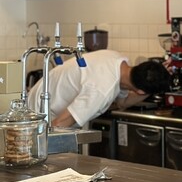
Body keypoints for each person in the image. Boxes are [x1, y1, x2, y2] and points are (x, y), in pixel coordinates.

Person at [27, 49, 171, 129]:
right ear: (140, 91)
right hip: (40, 114)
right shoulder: (101, 90)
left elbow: (123, 102)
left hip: (42, 93)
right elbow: (58, 125)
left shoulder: (117, 60)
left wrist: (157, 76)